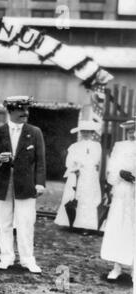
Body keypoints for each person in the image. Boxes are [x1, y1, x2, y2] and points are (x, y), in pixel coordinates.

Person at [0, 96, 46, 274]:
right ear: (10, 111)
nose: (25, 113)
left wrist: (40, 183)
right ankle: (6, 257)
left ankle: (28, 260)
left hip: (26, 185)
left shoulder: (35, 132)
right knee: (4, 223)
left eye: (27, 109)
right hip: (3, 184)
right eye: (20, 110)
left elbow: (41, 161)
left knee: (26, 223)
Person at [100, 118, 136, 280]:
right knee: (119, 226)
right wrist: (120, 174)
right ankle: (117, 267)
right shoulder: (120, 146)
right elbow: (112, 169)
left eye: (134, 130)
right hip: (122, 192)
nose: (131, 134)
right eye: (129, 130)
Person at [54, 121, 102, 233]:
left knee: (87, 198)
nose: (85, 134)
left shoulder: (96, 146)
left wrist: (88, 167)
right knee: (73, 197)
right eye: (83, 131)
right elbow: (69, 161)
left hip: (89, 175)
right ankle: (70, 222)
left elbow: (97, 160)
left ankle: (86, 225)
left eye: (88, 132)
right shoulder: (74, 146)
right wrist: (75, 167)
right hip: (76, 174)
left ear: (92, 133)